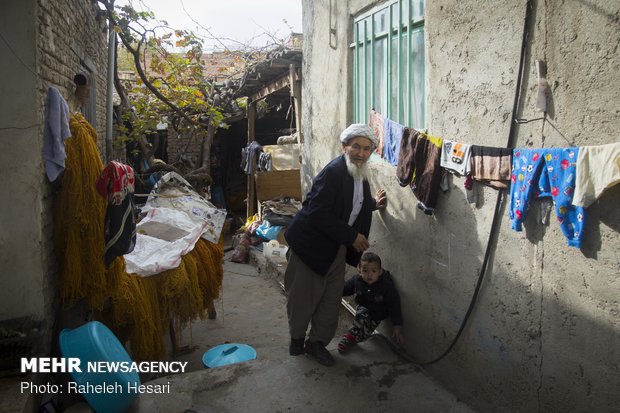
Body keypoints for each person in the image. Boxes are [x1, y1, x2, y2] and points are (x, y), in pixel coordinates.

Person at [284, 123, 387, 366]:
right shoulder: (333, 171)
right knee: (302, 298)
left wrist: (373, 204)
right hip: (310, 246)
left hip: (336, 249)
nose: (361, 153)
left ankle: (317, 343)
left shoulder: (358, 174)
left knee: (331, 300)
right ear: (345, 147)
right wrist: (351, 236)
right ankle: (297, 340)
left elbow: (351, 201)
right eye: (356, 147)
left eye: (367, 149)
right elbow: (317, 211)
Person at [338, 252, 404, 353]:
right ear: (359, 270)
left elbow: (394, 304)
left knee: (363, 336)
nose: (369, 274)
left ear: (380, 271)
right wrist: (333, 291)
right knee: (362, 315)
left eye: (374, 271)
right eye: (365, 271)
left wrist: (397, 325)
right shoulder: (357, 280)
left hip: (377, 316)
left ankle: (354, 338)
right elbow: (346, 288)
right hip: (363, 309)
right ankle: (349, 337)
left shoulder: (386, 286)